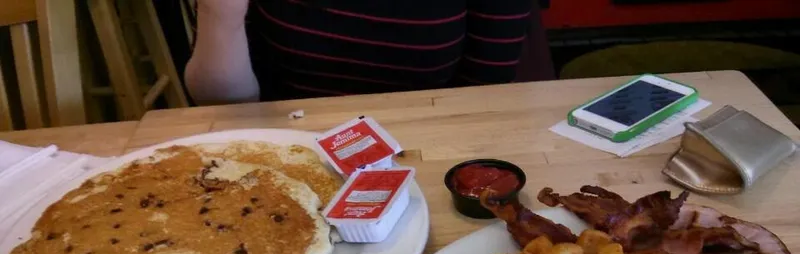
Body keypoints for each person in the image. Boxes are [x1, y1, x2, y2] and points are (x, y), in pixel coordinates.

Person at [185, 0, 550, 105]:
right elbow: (226, 107)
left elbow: (479, 94)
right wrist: (220, 14)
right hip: (289, 146)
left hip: (426, 147)